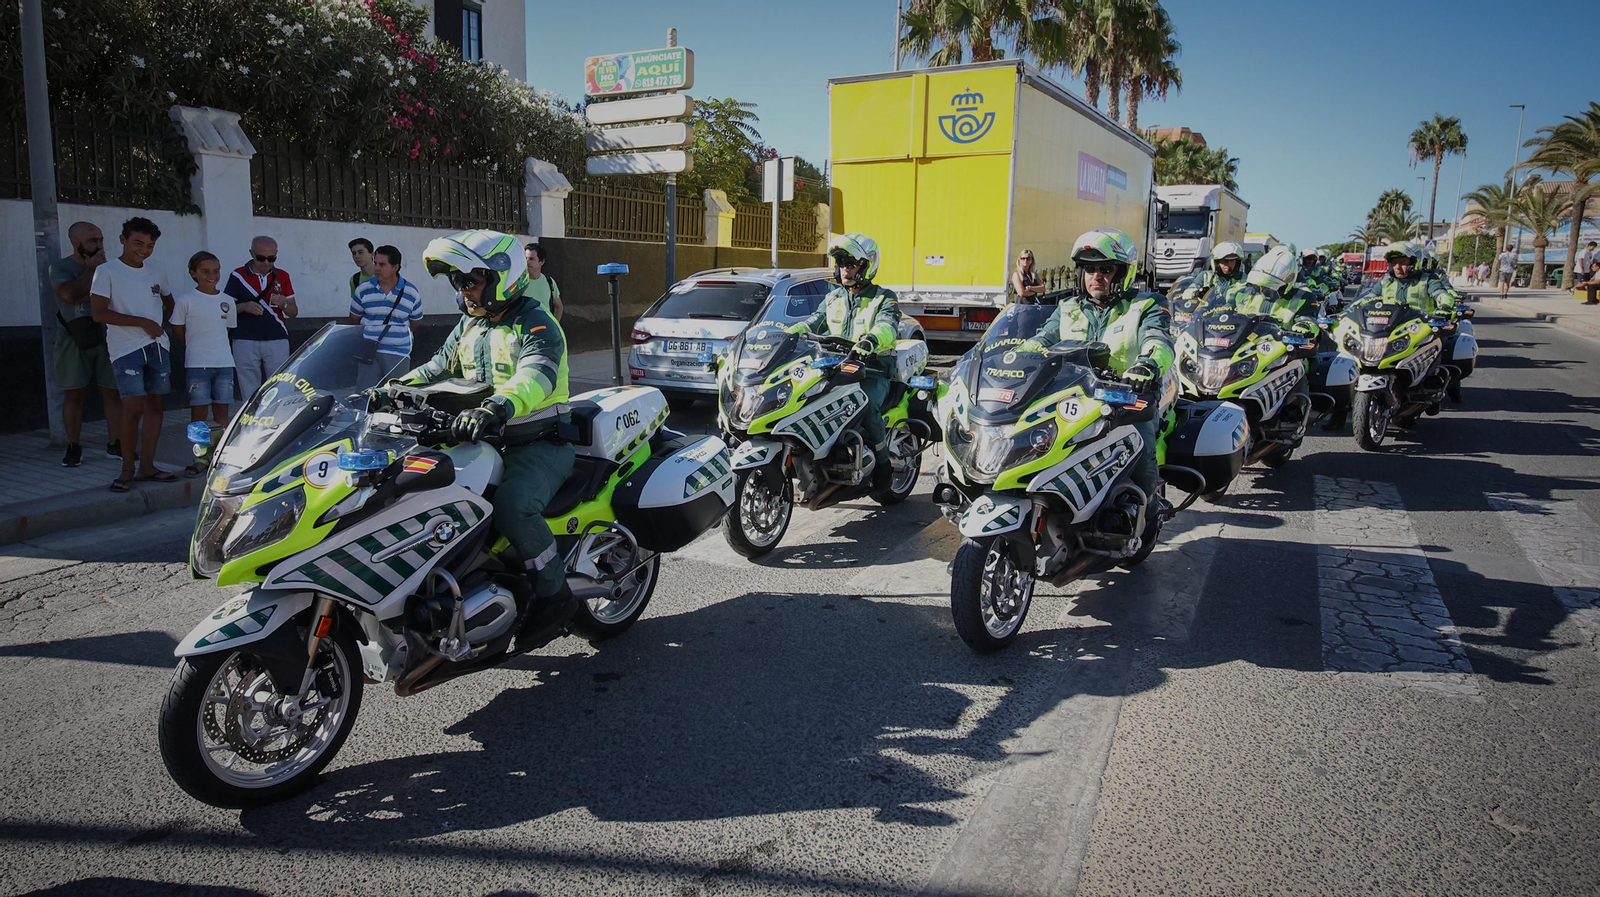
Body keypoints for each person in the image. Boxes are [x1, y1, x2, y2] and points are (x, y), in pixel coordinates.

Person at [394, 229, 575, 644]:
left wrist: (497, 406)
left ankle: (555, 594)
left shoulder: (537, 321)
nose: (463, 292)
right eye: (458, 283)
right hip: (478, 441)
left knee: (513, 506)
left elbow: (537, 375)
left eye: (469, 281)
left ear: (501, 276)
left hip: (535, 442)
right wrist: (391, 389)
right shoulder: (468, 326)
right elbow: (437, 367)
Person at [1019, 228, 1172, 499]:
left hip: (1126, 400)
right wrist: (1016, 356)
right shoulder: (1068, 307)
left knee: (1142, 460)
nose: (1096, 277)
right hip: (1072, 399)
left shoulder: (1146, 304)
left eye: (1105, 269)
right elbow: (1042, 338)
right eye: (1089, 270)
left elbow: (1157, 340)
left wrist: (1147, 365)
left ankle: (1147, 516)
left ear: (1123, 273)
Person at [785, 232, 902, 487]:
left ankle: (883, 466)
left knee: (865, 404)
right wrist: (783, 335)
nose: (844, 270)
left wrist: (870, 341)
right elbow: (810, 323)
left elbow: (887, 327)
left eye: (850, 264)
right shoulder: (833, 298)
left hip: (873, 370)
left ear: (866, 265)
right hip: (837, 369)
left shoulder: (884, 297)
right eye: (840, 264)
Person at [89, 217, 176, 493]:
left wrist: (160, 326)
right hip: (125, 349)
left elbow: (168, 300)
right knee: (133, 407)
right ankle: (127, 470)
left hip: (157, 347)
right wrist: (143, 322)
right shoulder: (106, 271)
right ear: (123, 240)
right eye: (138, 243)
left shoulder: (157, 271)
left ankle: (147, 467)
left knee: (156, 406)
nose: (144, 250)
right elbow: (99, 313)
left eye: (150, 245)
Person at [50, 221, 124, 467]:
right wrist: (91, 272)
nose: (99, 246)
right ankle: (73, 446)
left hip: (107, 335)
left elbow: (116, 295)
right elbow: (69, 295)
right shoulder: (60, 267)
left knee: (112, 392)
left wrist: (91, 291)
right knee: (74, 394)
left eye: (101, 240)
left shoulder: (112, 267)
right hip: (73, 338)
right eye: (93, 241)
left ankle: (115, 444)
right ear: (76, 242)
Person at [170, 251, 236, 477]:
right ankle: (199, 457)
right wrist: (196, 347)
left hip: (224, 363)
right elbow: (178, 330)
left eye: (216, 271)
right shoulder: (185, 300)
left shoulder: (227, 301)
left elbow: (227, 330)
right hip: (197, 364)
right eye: (206, 271)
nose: (212, 275)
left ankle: (218, 456)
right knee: (198, 413)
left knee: (222, 411)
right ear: (193, 273)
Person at [226, 235, 298, 403]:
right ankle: (251, 425)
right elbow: (224, 309)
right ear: (251, 253)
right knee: (249, 389)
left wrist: (284, 304)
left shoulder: (283, 276)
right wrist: (244, 307)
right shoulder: (238, 276)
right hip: (244, 338)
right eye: (261, 258)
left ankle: (277, 423)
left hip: (276, 337)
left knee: (281, 386)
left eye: (271, 258)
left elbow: (294, 312)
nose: (266, 262)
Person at [348, 244, 424, 374]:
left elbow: (416, 322)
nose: (376, 268)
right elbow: (354, 318)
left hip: (398, 352)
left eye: (382, 265)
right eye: (375, 263)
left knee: (396, 392)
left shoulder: (411, 292)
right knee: (365, 392)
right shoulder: (363, 289)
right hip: (369, 352)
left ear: (395, 267)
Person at [1173, 241, 1247, 308]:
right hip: (1205, 317)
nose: (1229, 265)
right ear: (1216, 262)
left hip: (1231, 318)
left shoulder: (1245, 281)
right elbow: (1186, 294)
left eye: (1232, 261)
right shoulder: (1205, 277)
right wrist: (1197, 294)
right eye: (1225, 261)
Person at [522, 242, 563, 320]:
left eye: (531, 259)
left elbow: (559, 306)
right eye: (525, 258)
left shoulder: (549, 282)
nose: (527, 262)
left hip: (544, 329)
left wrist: (555, 326)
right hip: (524, 329)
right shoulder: (519, 283)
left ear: (542, 262)